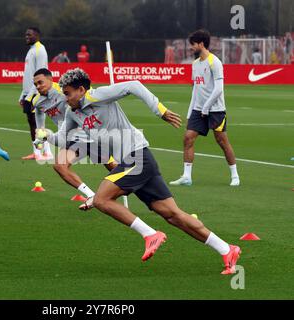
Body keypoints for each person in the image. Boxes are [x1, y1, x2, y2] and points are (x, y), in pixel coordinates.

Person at [37, 68, 241, 275]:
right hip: (135, 161)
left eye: (68, 93)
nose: (65, 98)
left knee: (100, 200)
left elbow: (133, 85)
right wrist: (47, 135)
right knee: (172, 215)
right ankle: (227, 249)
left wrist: (159, 110)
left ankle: (150, 234)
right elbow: (64, 138)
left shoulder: (98, 95)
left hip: (136, 156)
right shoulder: (73, 112)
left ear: (81, 89)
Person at [32, 68, 116, 207]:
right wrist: (40, 134)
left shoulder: (65, 91)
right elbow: (39, 116)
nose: (38, 86)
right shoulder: (38, 101)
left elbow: (89, 96)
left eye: (40, 82)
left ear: (50, 79)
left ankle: (143, 189)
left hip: (90, 134)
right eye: (35, 84)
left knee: (114, 168)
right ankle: (91, 195)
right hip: (70, 137)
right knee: (60, 166)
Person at [170, 30, 240, 187]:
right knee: (188, 138)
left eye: (193, 45)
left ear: (201, 44)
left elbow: (218, 89)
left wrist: (206, 108)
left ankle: (235, 175)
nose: (191, 48)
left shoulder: (215, 62)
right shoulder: (195, 64)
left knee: (222, 141)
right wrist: (191, 112)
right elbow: (195, 89)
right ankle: (187, 177)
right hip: (198, 110)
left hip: (215, 110)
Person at [20, 27, 49, 160]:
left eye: (29, 35)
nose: (26, 37)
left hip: (36, 92)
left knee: (38, 123)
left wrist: (30, 95)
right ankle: (39, 152)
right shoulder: (31, 50)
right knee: (33, 122)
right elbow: (28, 75)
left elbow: (41, 74)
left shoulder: (40, 50)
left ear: (37, 35)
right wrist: (23, 94)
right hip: (29, 92)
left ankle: (42, 152)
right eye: (26, 35)